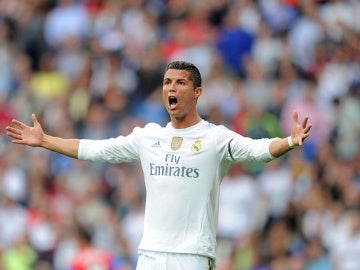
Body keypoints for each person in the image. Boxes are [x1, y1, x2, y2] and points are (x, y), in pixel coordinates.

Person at [6, 61, 312, 270]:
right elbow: (95, 150)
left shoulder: (215, 138)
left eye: (180, 83)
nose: (172, 89)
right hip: (150, 254)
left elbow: (258, 150)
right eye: (167, 83)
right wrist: (46, 141)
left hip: (192, 255)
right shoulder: (148, 136)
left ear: (197, 93)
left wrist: (289, 140)